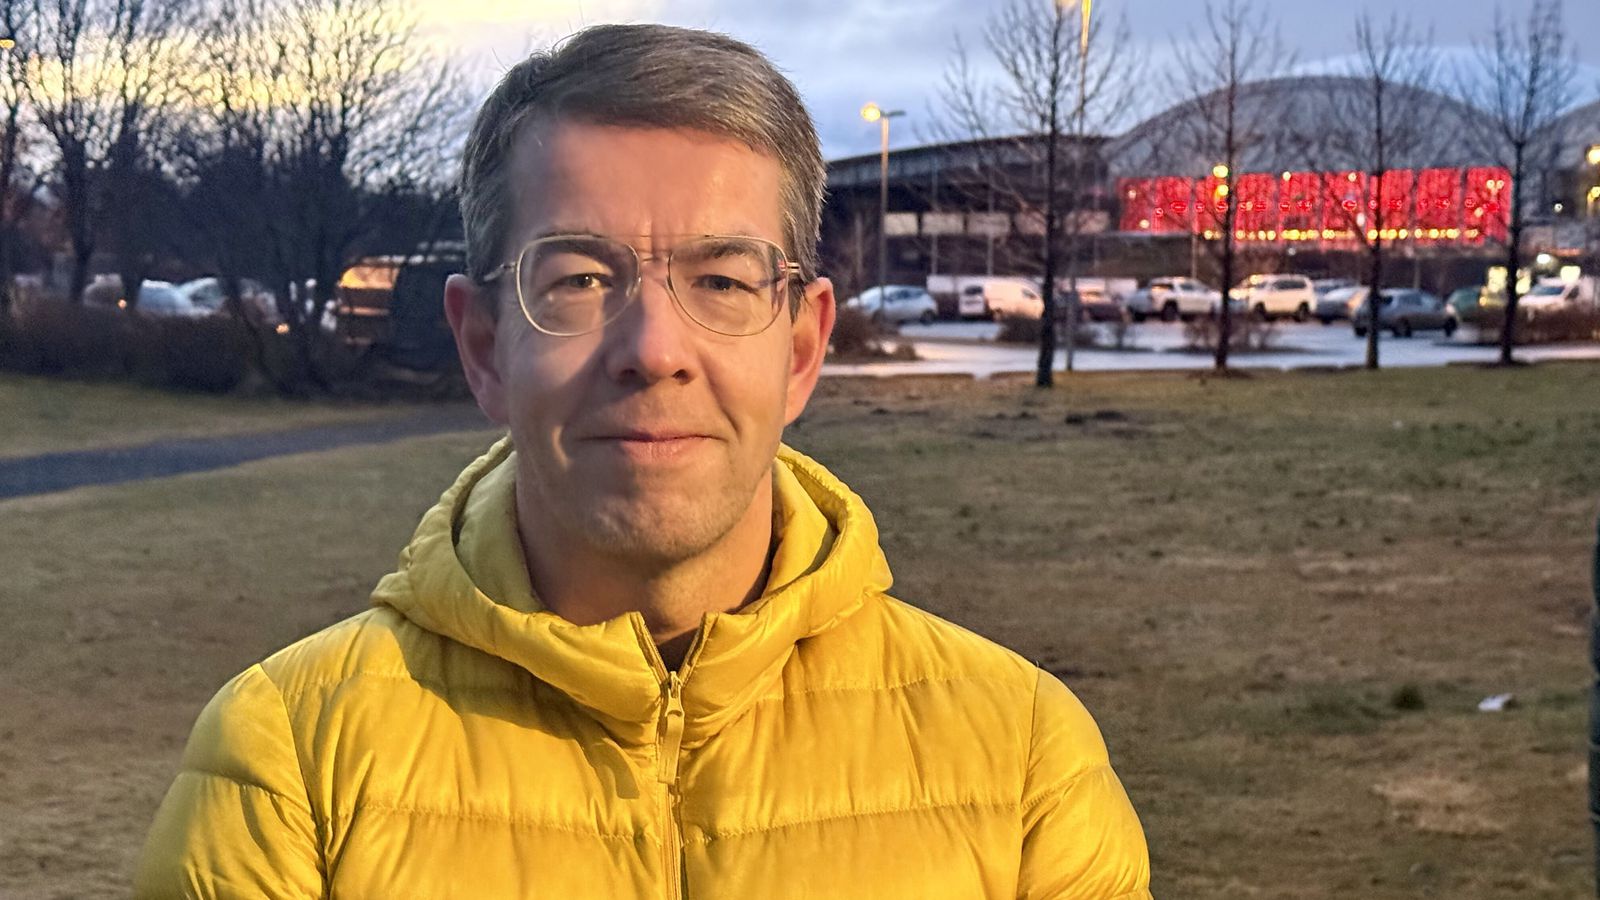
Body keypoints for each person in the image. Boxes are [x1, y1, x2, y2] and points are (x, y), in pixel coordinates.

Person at [134, 23, 1151, 899]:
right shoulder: (288, 767)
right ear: (483, 346)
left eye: (722, 280)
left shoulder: (1025, 766)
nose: (655, 349)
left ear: (803, 349)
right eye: (579, 278)